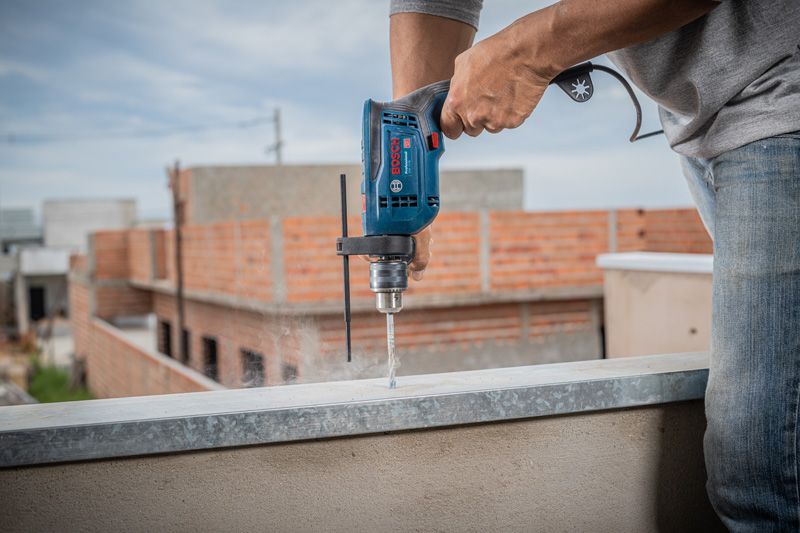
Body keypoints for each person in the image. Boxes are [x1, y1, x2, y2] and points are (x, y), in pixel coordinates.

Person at [389, 0, 800, 529]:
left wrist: (527, 50)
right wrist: (406, 162)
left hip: (779, 94)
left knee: (759, 477)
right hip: (704, 116)